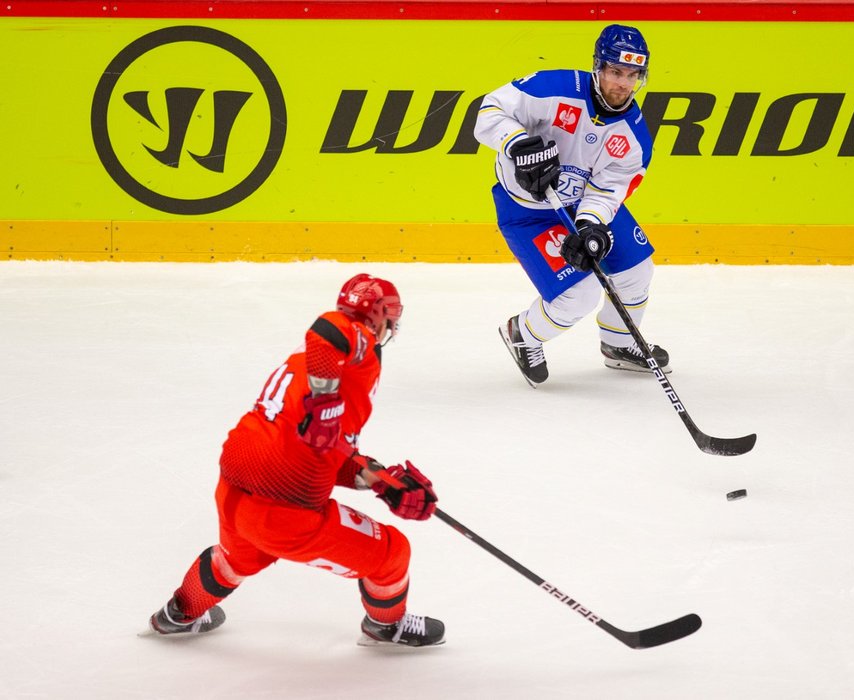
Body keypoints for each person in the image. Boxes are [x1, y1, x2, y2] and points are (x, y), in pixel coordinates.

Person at [146, 274, 445, 647]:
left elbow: (321, 445)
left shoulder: (308, 365)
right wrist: (326, 401)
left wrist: (380, 479)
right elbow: (328, 330)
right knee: (392, 552)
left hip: (234, 491)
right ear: (379, 319)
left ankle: (179, 614)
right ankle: (386, 626)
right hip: (284, 511)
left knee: (234, 561)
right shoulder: (359, 349)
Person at [475, 23, 670, 387]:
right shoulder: (552, 88)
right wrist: (517, 143)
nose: (622, 85)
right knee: (579, 295)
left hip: (580, 203)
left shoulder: (634, 136)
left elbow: (609, 190)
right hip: (527, 213)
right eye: (615, 72)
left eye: (633, 75)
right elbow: (489, 111)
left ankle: (619, 344)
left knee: (637, 271)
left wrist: (590, 227)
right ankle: (523, 334)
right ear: (598, 66)